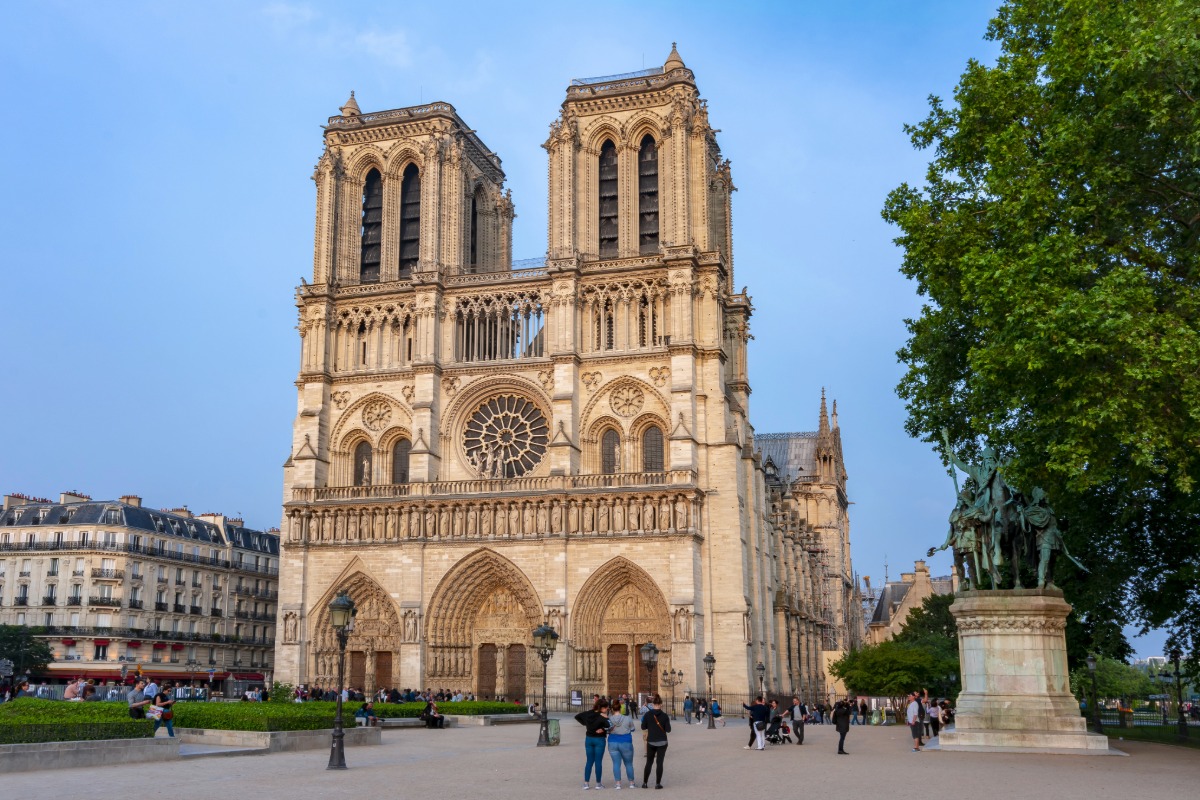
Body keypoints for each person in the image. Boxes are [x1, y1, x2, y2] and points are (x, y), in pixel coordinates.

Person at [574, 697, 610, 790]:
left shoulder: (588, 713)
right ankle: (598, 784)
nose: (607, 709)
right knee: (598, 762)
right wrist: (604, 725)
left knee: (589, 761)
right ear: (602, 708)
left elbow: (577, 716)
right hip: (599, 739)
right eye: (606, 708)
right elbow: (609, 726)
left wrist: (585, 723)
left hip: (589, 739)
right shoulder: (602, 716)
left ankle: (586, 783)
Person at [640, 694, 671, 789]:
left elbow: (643, 727)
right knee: (659, 762)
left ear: (653, 704)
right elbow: (668, 730)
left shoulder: (648, 714)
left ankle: (645, 783)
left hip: (651, 741)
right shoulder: (665, 716)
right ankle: (658, 783)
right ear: (661, 704)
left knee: (649, 762)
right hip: (662, 741)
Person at [607, 698, 637, 789]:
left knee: (616, 763)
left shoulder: (609, 719)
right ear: (620, 708)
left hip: (613, 741)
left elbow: (607, 730)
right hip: (626, 741)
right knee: (628, 763)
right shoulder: (627, 718)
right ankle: (631, 783)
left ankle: (618, 784)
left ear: (612, 709)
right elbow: (632, 729)